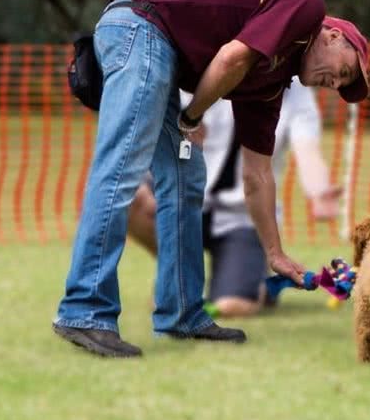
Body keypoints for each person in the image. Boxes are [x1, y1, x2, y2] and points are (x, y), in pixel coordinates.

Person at [53, 0, 369, 358]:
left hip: (158, 46)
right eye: (344, 71)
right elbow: (230, 58)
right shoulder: (307, 6)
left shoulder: (270, 80)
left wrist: (275, 253)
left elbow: (257, 175)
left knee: (186, 177)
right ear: (333, 36)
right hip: (139, 26)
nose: (335, 83)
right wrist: (191, 117)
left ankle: (182, 315)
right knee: (122, 167)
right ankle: (84, 311)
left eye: (342, 84)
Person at [128, 80, 342, 317]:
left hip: (241, 219)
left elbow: (308, 150)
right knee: (131, 197)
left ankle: (259, 284)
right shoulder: (209, 68)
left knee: (233, 306)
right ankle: (177, 272)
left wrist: (319, 191)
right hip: (186, 201)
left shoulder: (296, 94)